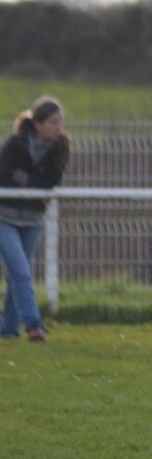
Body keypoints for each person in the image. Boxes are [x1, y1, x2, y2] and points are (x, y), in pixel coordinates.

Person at [1, 97, 69, 343]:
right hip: (4, 217)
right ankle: (34, 324)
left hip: (33, 218)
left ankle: (8, 329)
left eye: (61, 122)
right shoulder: (15, 143)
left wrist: (24, 178)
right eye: (53, 122)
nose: (59, 127)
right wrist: (31, 182)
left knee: (17, 275)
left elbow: (51, 182)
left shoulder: (61, 147)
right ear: (38, 124)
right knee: (21, 270)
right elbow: (3, 175)